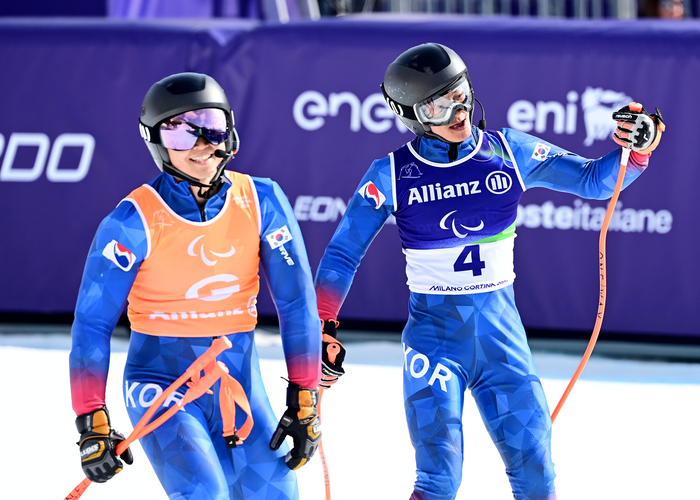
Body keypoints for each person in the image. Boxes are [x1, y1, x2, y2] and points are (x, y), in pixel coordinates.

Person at [314, 43, 664, 500]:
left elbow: (594, 180)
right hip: (434, 347)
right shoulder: (391, 174)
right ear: (412, 115)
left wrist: (638, 149)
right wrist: (322, 325)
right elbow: (343, 253)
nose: (458, 112)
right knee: (438, 479)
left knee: (536, 472)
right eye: (437, 106)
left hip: (503, 345)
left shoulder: (509, 151)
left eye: (459, 94)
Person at [68, 72, 322, 500]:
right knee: (204, 492)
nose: (202, 143)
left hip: (239, 385)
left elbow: (297, 304)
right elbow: (92, 324)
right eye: (181, 132)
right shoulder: (132, 221)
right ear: (156, 142)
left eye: (212, 126)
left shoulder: (262, 200)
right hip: (160, 384)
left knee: (279, 494)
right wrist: (91, 419)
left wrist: (305, 397)